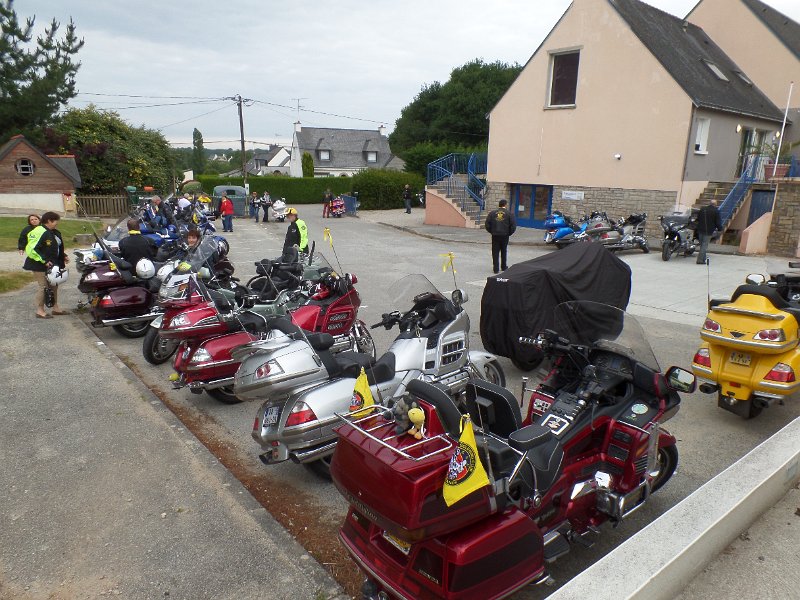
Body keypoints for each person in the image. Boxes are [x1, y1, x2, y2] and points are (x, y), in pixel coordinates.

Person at [23, 211, 70, 318]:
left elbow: (55, 247)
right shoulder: (38, 231)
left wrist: (63, 255)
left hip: (53, 264)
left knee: (54, 285)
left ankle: (55, 308)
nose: (57, 223)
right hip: (39, 264)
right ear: (49, 221)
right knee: (43, 286)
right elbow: (31, 249)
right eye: (56, 221)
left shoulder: (54, 232)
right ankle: (40, 310)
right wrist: (44, 260)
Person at [484, 199, 517, 274]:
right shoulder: (509, 214)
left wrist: (492, 231)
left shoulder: (492, 213)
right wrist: (509, 233)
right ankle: (503, 266)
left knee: (495, 251)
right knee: (503, 250)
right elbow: (513, 226)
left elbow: (487, 224)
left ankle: (496, 269)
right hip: (505, 235)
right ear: (505, 205)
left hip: (495, 235)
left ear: (499, 205)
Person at [695, 199, 722, 264]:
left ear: (710, 203)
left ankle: (703, 258)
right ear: (716, 204)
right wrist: (720, 229)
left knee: (702, 244)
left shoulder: (702, 209)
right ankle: (700, 260)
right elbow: (718, 222)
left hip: (700, 229)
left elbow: (698, 219)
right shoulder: (716, 211)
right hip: (708, 230)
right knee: (704, 245)